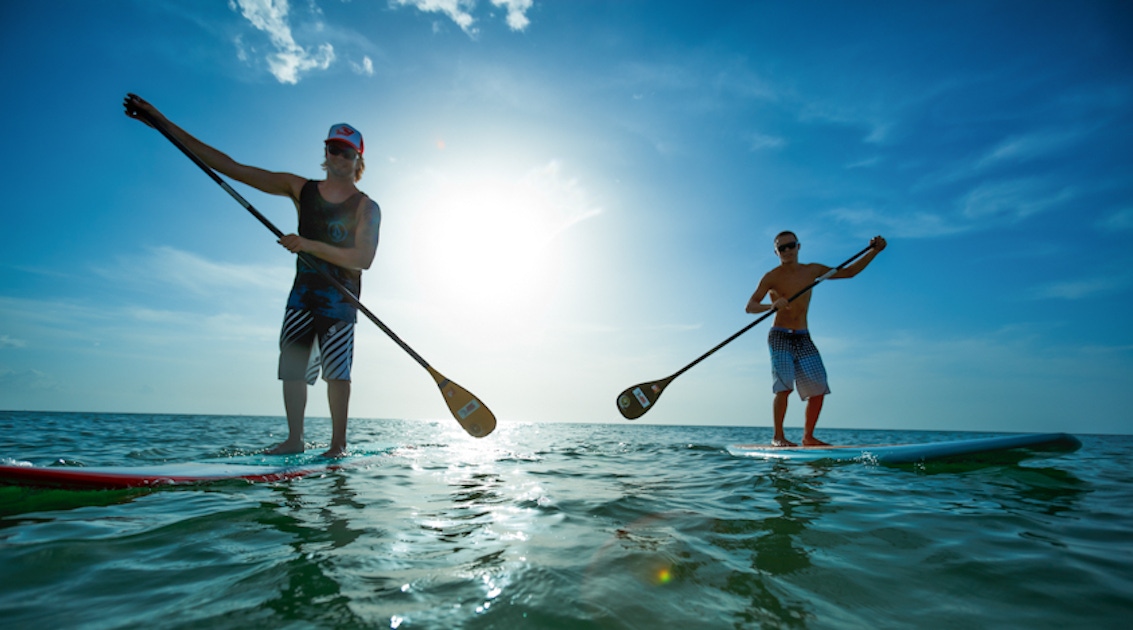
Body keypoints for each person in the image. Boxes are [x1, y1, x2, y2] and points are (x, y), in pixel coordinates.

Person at [124, 94, 381, 457]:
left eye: (346, 152)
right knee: (292, 368)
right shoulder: (300, 188)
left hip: (340, 299)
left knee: (336, 373)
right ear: (325, 153)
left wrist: (308, 245)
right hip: (302, 296)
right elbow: (231, 166)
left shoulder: (367, 207)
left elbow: (362, 259)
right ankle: (295, 440)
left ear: (358, 160)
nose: (338, 157)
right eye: (333, 149)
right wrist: (161, 122)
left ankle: (338, 445)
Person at [745, 232, 886, 447]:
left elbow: (849, 272)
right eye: (781, 248)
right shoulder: (771, 277)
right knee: (784, 387)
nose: (787, 251)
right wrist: (771, 306)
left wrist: (874, 251)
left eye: (790, 245)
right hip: (780, 334)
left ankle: (808, 437)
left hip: (803, 336)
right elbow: (750, 306)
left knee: (818, 388)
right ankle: (778, 437)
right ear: (776, 252)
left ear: (798, 247)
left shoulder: (812, 270)